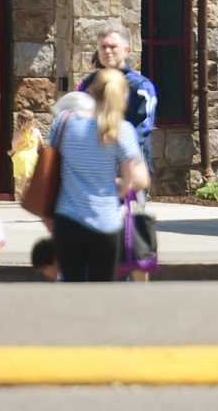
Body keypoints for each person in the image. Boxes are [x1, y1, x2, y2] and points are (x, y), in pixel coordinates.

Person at [46, 67, 148, 282]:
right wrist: (111, 186)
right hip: (106, 223)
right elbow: (130, 183)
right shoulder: (122, 129)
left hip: (68, 219)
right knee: (102, 295)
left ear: (90, 92)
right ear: (123, 97)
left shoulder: (64, 122)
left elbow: (48, 163)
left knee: (72, 291)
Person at [76, 29, 158, 176]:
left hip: (130, 169)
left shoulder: (140, 87)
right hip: (94, 168)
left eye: (113, 47)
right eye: (103, 47)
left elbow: (142, 128)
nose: (107, 51)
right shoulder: (88, 84)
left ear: (126, 50)